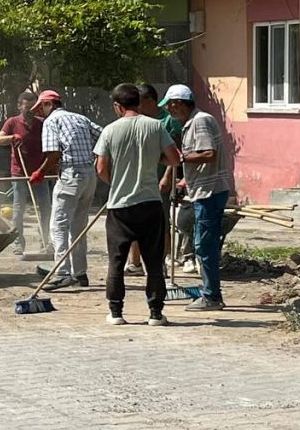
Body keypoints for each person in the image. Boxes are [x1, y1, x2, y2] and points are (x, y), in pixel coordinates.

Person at [94, 83, 181, 326]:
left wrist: (117, 182)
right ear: (139, 103)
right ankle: (155, 312)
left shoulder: (110, 131)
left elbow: (101, 168)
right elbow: (175, 158)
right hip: (150, 202)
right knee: (153, 260)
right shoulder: (155, 126)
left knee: (117, 261)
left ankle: (116, 312)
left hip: (120, 205)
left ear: (117, 106)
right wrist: (157, 158)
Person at [160, 84, 235, 311]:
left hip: (210, 191)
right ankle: (210, 292)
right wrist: (184, 182)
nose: (169, 111)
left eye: (170, 106)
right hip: (204, 188)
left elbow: (209, 154)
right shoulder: (192, 122)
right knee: (203, 242)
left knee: (204, 244)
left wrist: (180, 159)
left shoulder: (200, 121)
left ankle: (212, 296)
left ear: (178, 103)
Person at [30, 89, 102, 290]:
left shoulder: (51, 122)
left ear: (49, 104)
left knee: (58, 226)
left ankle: (62, 274)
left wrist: (40, 172)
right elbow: (105, 137)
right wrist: (95, 159)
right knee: (78, 227)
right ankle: (80, 273)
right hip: (89, 176)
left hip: (71, 175)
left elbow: (53, 154)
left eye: (41, 108)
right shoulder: (81, 118)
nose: (41, 113)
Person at [125, 84, 182, 274]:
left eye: (140, 103)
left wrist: (167, 176)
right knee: (134, 220)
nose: (137, 108)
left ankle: (164, 261)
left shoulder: (167, 121)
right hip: (138, 179)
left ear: (149, 100)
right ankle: (135, 263)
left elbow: (176, 153)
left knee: (160, 222)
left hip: (159, 179)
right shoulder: (137, 120)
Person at [0, 91, 50, 257]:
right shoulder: (12, 122)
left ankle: (45, 242)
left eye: (33, 106)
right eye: (27, 107)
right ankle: (18, 244)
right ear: (19, 106)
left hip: (40, 172)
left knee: (45, 208)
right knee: (19, 209)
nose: (30, 110)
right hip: (19, 172)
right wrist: (12, 137)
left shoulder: (42, 123)